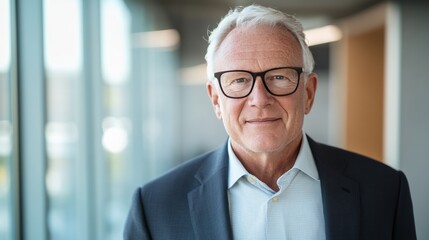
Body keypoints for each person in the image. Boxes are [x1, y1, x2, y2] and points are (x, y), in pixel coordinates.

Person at [124, 4, 416, 240]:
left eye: (279, 77)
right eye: (239, 80)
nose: (259, 99)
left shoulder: (385, 191)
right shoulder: (155, 206)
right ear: (216, 100)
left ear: (309, 93)